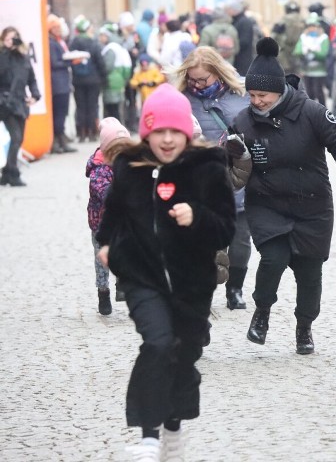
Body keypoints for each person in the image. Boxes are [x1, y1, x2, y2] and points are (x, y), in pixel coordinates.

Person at [95, 84, 236, 461]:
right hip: (143, 278)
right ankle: (147, 438)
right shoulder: (130, 166)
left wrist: (197, 217)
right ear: (147, 132)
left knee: (183, 353)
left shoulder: (207, 168)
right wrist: (106, 246)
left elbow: (226, 229)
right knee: (157, 343)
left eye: (175, 131)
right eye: (160, 132)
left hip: (192, 285)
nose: (168, 139)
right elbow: (112, 214)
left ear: (187, 133)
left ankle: (173, 425)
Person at [232, 37, 336, 353]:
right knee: (273, 258)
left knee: (310, 273)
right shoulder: (243, 121)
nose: (256, 101)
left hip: (312, 204)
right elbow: (227, 162)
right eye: (252, 95)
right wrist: (226, 155)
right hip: (266, 203)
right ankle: (262, 312)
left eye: (262, 95)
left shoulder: (311, 111)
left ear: (280, 90)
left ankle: (304, 328)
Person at [174, 45, 253, 311]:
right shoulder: (180, 99)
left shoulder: (240, 93)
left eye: (203, 79)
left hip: (237, 176)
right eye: (192, 79)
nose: (197, 84)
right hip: (200, 182)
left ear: (218, 73)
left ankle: (235, 289)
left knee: (240, 240)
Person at [86, 117, 132, 315]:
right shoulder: (99, 167)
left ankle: (122, 283)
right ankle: (102, 292)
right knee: (102, 261)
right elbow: (102, 190)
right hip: (100, 224)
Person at [0, 27, 41, 187]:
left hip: (20, 103)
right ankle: (13, 173)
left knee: (19, 138)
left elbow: (32, 79)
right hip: (5, 103)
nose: (11, 41)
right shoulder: (2, 57)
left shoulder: (23, 58)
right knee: (16, 137)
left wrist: (35, 95)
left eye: (14, 38)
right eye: (8, 39)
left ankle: (6, 174)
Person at [69, 15, 107, 142]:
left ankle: (81, 132)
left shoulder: (74, 42)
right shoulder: (93, 42)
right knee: (93, 106)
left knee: (80, 106)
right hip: (93, 80)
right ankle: (92, 132)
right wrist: (103, 77)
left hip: (78, 80)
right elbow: (100, 62)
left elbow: (69, 60)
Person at [47, 14, 77, 154]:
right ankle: (58, 142)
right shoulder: (52, 43)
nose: (59, 29)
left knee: (61, 113)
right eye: (56, 27)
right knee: (59, 113)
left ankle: (60, 141)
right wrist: (69, 61)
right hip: (58, 84)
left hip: (62, 82)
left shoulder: (57, 41)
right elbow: (54, 63)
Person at [98, 23, 133, 122]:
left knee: (112, 108)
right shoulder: (118, 46)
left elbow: (108, 66)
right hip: (119, 79)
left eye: (102, 35)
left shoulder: (110, 48)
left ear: (107, 36)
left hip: (112, 80)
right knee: (117, 107)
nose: (100, 38)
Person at [294, 14, 330, 104]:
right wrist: (304, 52)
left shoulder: (323, 38)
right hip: (306, 70)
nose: (311, 29)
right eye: (309, 26)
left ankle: (322, 110)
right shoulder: (304, 37)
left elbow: (323, 54)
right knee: (309, 92)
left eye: (314, 26)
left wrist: (313, 52)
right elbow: (297, 51)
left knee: (319, 92)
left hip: (319, 70)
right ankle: (311, 111)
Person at [271, 0, 304, 73]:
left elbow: (274, 35)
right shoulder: (303, 20)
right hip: (301, 51)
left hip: (285, 52)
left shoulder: (283, 20)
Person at [228, 0, 259, 76]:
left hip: (243, 58)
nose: (228, 12)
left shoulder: (244, 22)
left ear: (235, 10)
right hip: (239, 57)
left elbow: (245, 41)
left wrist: (233, 47)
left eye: (230, 10)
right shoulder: (237, 21)